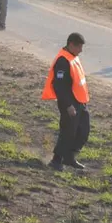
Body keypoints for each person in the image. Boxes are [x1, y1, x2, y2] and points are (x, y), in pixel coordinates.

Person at [42, 32, 91, 171]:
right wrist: (68, 105)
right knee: (68, 131)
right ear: (71, 45)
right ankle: (56, 160)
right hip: (69, 103)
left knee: (83, 130)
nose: (81, 50)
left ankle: (70, 158)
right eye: (79, 47)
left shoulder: (72, 56)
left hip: (80, 101)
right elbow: (59, 86)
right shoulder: (63, 61)